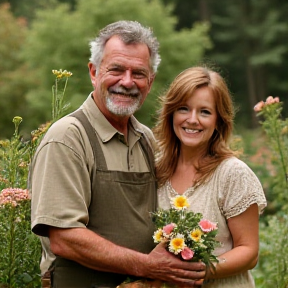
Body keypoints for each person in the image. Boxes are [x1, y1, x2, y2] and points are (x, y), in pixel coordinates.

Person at [29, 21, 206, 288]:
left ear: (150, 81)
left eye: (138, 73)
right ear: (94, 72)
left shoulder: (146, 139)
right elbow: (64, 238)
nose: (127, 82)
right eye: (116, 69)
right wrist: (148, 265)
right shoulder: (68, 138)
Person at [153, 66, 267, 288]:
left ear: (219, 120)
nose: (193, 119)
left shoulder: (233, 174)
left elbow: (249, 252)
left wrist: (197, 270)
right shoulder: (156, 168)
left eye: (205, 112)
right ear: (171, 113)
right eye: (183, 109)